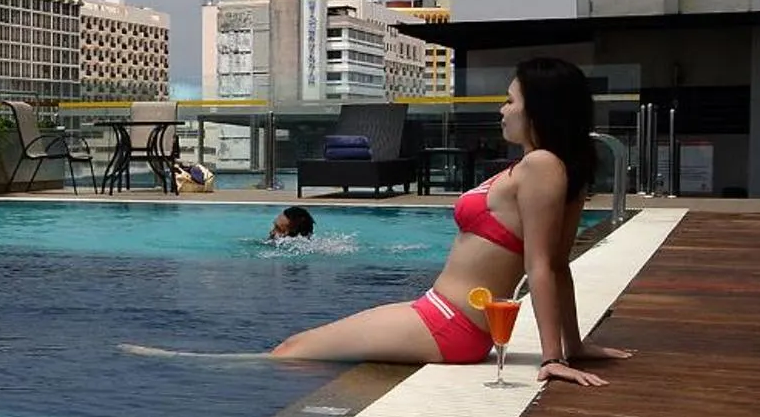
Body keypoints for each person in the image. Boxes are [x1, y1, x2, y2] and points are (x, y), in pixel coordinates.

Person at [270, 57, 633, 385]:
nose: (502, 110)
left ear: (538, 110)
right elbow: (556, 265)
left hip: (451, 322)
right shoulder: (540, 167)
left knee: (292, 351)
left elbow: (544, 266)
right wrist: (574, 344)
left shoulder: (541, 166)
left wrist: (554, 356)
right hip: (440, 311)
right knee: (295, 346)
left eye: (510, 101)